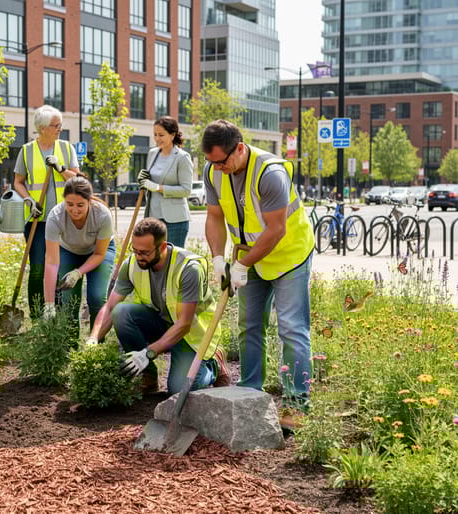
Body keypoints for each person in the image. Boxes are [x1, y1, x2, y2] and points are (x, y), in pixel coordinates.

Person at [201, 119, 314, 430]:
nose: (217, 168)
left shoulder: (270, 173)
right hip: (249, 256)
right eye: (211, 162)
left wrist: (242, 265)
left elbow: (276, 230)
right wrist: (218, 259)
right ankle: (250, 392)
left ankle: (296, 404)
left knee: (291, 329)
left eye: (221, 161)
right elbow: (214, 217)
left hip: (289, 256)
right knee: (249, 326)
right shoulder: (214, 171)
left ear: (239, 148)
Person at [86, 218, 229, 394]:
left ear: (161, 248)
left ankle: (214, 367)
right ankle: (148, 376)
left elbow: (184, 324)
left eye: (144, 252)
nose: (138, 257)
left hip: (191, 334)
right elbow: (109, 307)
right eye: (135, 250)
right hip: (161, 323)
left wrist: (147, 353)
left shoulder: (188, 268)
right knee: (121, 312)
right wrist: (93, 339)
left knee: (178, 390)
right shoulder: (131, 264)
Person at [13, 105, 81, 318]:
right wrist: (28, 200)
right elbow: (18, 182)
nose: (60, 128)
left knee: (60, 268)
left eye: (60, 124)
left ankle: (58, 313)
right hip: (38, 219)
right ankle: (36, 314)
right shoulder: (27, 151)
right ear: (42, 128)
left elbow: (77, 180)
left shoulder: (66, 148)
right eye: (55, 125)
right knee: (37, 269)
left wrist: (61, 168)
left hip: (65, 218)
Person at [43, 176, 115, 335]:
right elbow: (51, 262)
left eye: (80, 205)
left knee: (96, 297)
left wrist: (78, 272)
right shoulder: (55, 217)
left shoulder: (102, 215)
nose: (74, 210)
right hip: (69, 251)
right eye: (69, 204)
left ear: (89, 201)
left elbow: (99, 253)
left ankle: (96, 343)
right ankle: (70, 346)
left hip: (98, 252)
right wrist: (48, 304)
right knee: (69, 301)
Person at [137, 116, 194, 248]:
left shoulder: (182, 157)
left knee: (172, 259)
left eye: (161, 135)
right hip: (153, 217)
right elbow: (150, 180)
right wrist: (143, 179)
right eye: (155, 135)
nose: (157, 139)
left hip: (175, 220)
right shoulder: (152, 153)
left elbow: (186, 190)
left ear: (173, 135)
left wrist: (158, 187)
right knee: (154, 256)